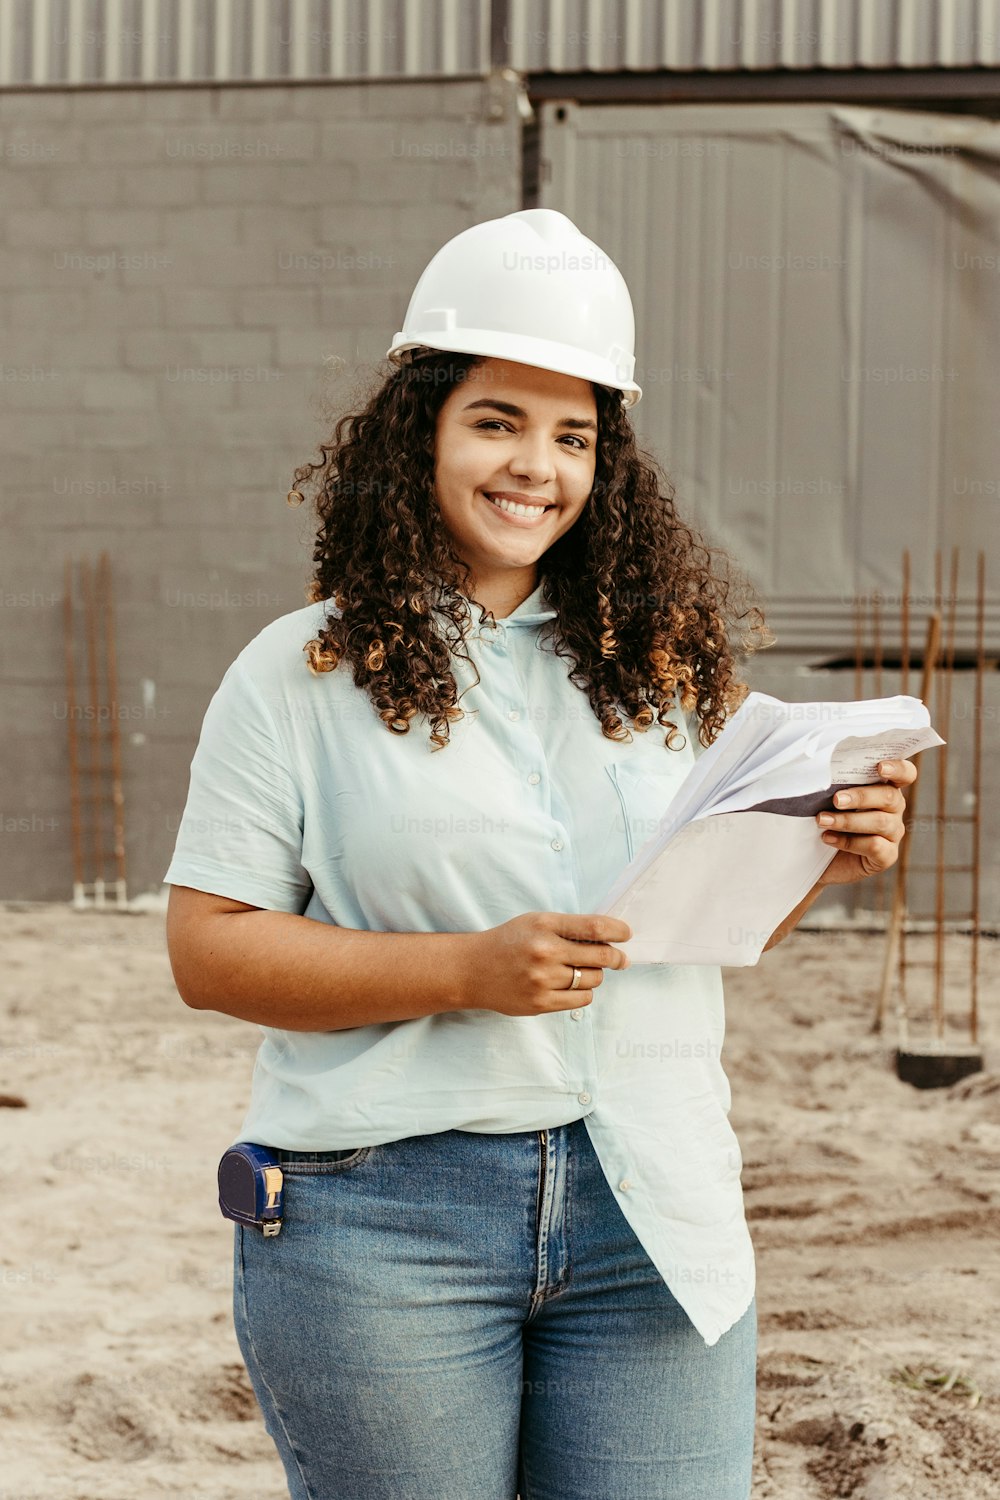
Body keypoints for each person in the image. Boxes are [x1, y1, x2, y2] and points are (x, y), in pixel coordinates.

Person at [163, 209, 915, 1500]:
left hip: (653, 1211)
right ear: (423, 432)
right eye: (497, 421)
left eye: (574, 435)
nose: (537, 467)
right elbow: (208, 948)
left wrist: (819, 863)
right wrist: (466, 969)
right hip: (382, 1222)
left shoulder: (661, 671)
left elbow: (690, 931)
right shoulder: (295, 676)